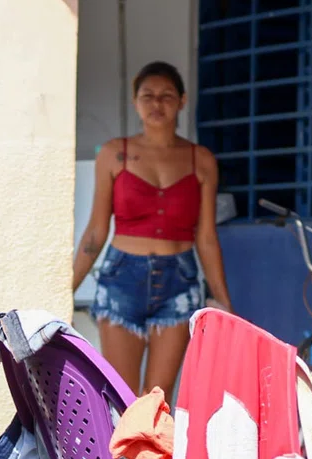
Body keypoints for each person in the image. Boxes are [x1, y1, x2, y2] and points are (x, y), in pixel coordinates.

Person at [72, 60, 233, 398]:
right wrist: (64, 289)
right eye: (147, 96)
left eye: (166, 96)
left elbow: (206, 238)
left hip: (180, 280)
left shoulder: (200, 160)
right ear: (135, 102)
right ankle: (120, 454)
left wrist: (222, 299)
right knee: (120, 394)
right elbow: (96, 232)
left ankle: (154, 454)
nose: (156, 104)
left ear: (182, 101)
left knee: (158, 397)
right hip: (121, 278)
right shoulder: (115, 154)